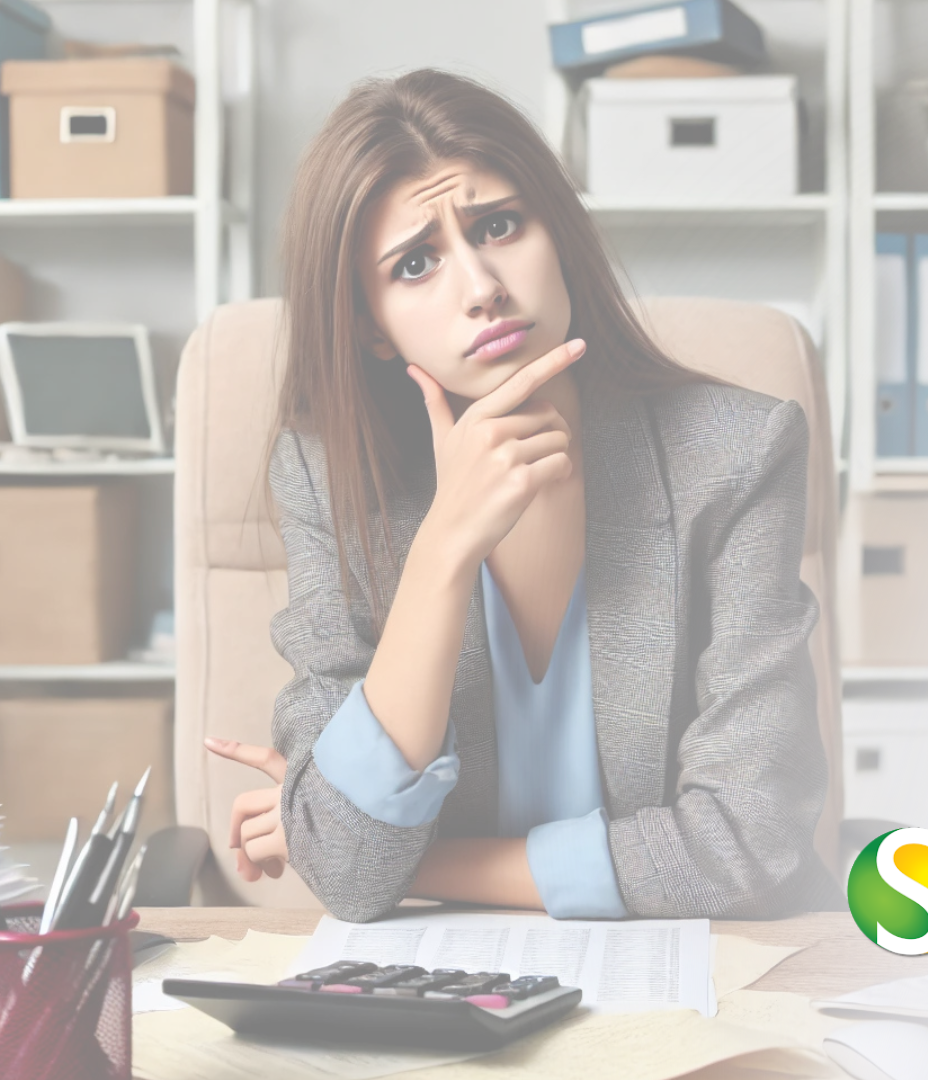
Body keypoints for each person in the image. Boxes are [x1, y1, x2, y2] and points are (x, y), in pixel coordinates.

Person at [205, 68, 842, 922]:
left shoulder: (733, 455)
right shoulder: (328, 477)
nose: (481, 287)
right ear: (370, 325)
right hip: (450, 992)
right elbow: (351, 874)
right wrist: (442, 550)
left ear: (559, 231)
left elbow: (744, 845)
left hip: (712, 965)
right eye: (416, 264)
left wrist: (417, 861)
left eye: (498, 226)